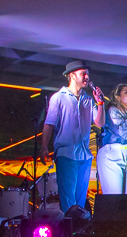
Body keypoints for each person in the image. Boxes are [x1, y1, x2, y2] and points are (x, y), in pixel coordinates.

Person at [42, 60, 104, 216]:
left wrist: (101, 103)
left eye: (87, 74)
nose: (87, 77)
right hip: (66, 153)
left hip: (84, 155)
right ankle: (67, 234)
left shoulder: (88, 100)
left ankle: (77, 232)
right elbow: (49, 124)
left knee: (80, 201)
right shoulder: (59, 98)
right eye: (83, 73)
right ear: (72, 75)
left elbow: (100, 123)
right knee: (68, 200)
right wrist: (44, 148)